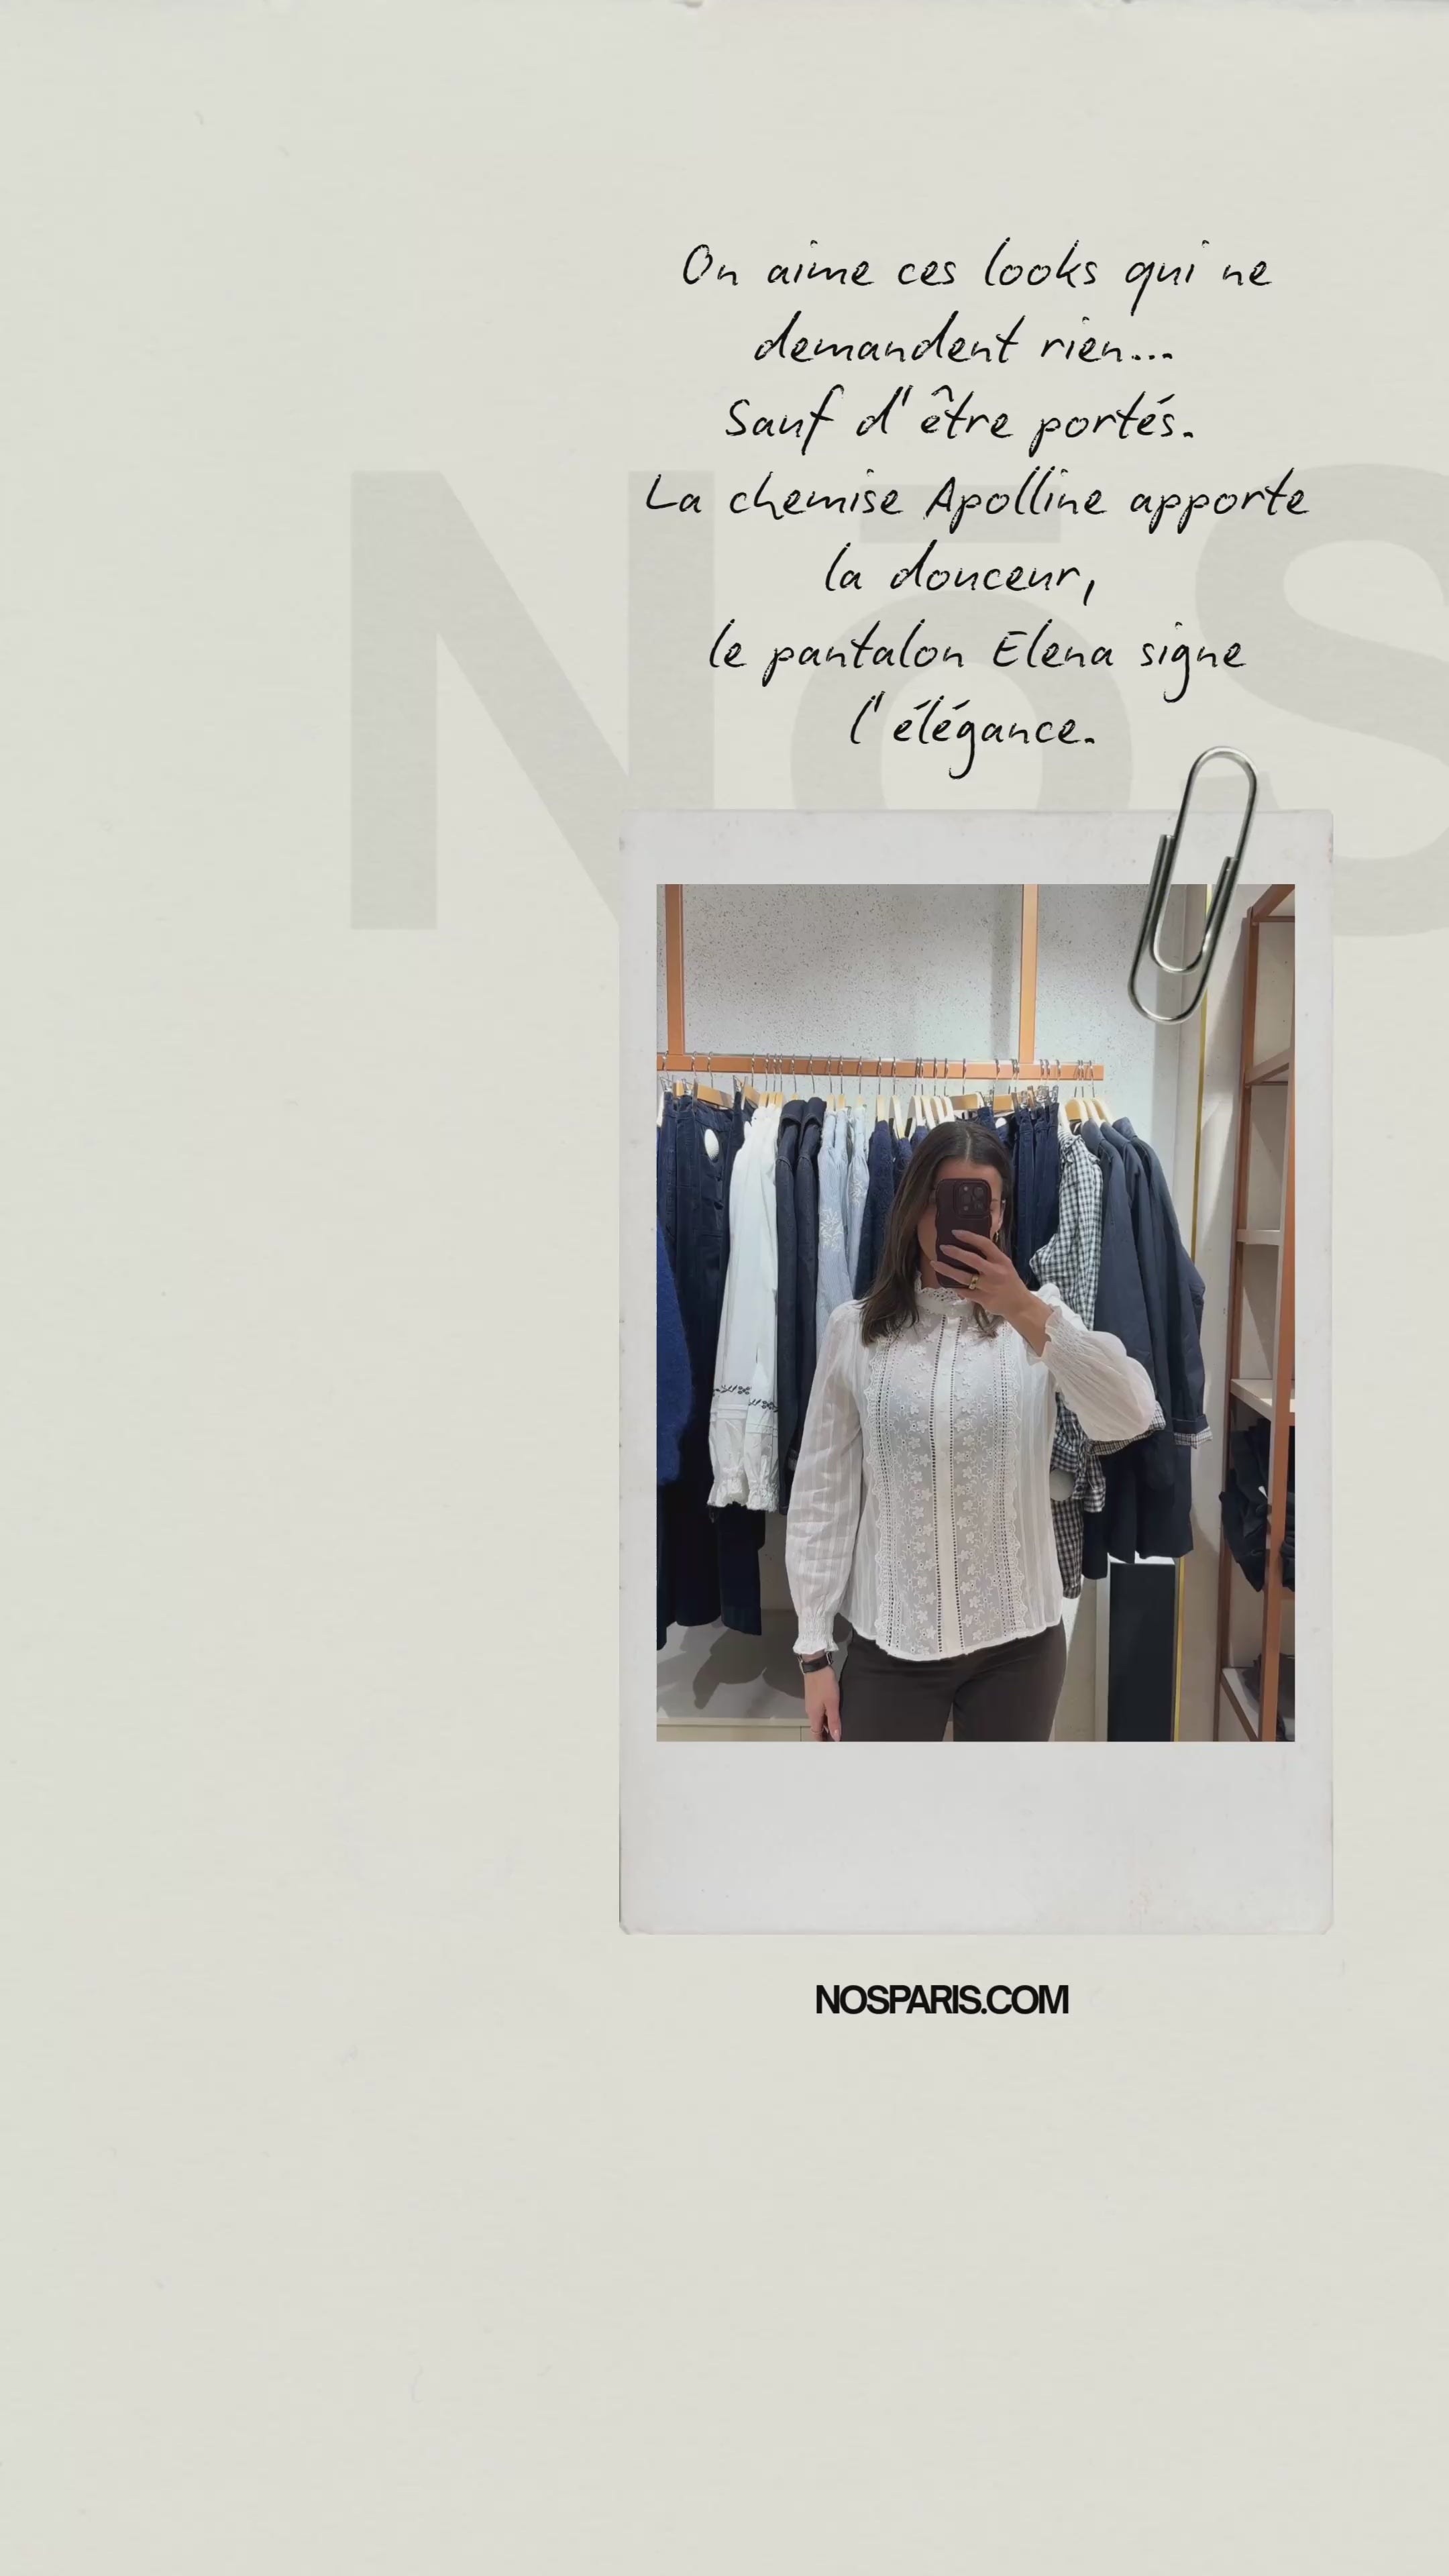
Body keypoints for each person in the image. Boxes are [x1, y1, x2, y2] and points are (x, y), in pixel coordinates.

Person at [785, 1120, 1158, 1742]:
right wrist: (814, 1652)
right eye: (939, 1199)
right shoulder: (855, 1331)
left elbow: (1131, 1414)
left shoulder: (1038, 1322)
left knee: (1004, 1807)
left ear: (999, 1215)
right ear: (913, 1206)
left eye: (976, 1201)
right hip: (892, 1643)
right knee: (881, 1807)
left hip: (1020, 1648)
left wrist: (1025, 1309)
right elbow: (824, 1492)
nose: (950, 1220)